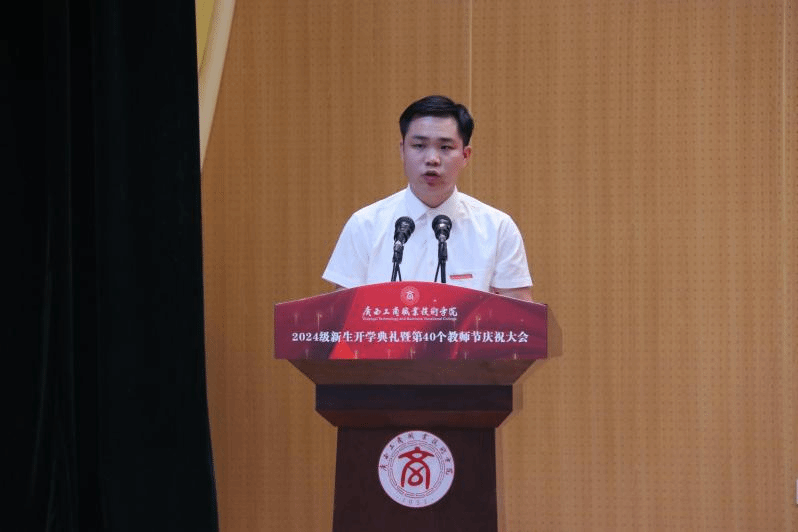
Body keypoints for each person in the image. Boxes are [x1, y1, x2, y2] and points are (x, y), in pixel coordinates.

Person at [322, 95, 533, 301]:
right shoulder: (365, 225)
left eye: (445, 147)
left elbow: (520, 317)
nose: (432, 159)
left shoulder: (497, 229)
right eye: (419, 146)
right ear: (403, 151)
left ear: (465, 155)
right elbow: (341, 314)